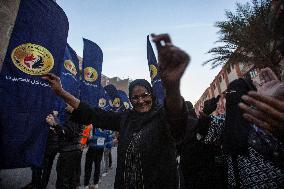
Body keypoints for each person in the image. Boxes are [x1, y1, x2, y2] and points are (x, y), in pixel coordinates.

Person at [43, 33, 195, 189]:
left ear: (152, 96)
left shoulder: (162, 117)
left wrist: (173, 86)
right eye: (135, 97)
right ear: (130, 100)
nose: (140, 100)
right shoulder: (125, 118)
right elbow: (92, 113)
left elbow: (176, 115)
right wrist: (61, 92)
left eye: (144, 95)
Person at [46, 104, 84, 189]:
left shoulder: (73, 116)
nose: (65, 106)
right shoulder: (77, 115)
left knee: (63, 180)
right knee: (72, 179)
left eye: (68, 104)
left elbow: (67, 132)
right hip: (74, 149)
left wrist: (54, 124)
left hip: (69, 151)